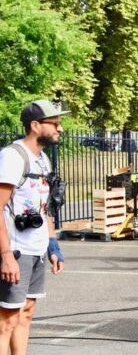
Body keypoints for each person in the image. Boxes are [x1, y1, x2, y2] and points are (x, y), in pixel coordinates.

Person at [0, 100, 66, 355]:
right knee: (6, 320)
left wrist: (52, 246)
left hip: (36, 250)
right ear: (35, 125)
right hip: (15, 251)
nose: (60, 129)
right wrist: (6, 257)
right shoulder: (13, 157)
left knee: (26, 313)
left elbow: (45, 208)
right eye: (55, 124)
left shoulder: (43, 161)